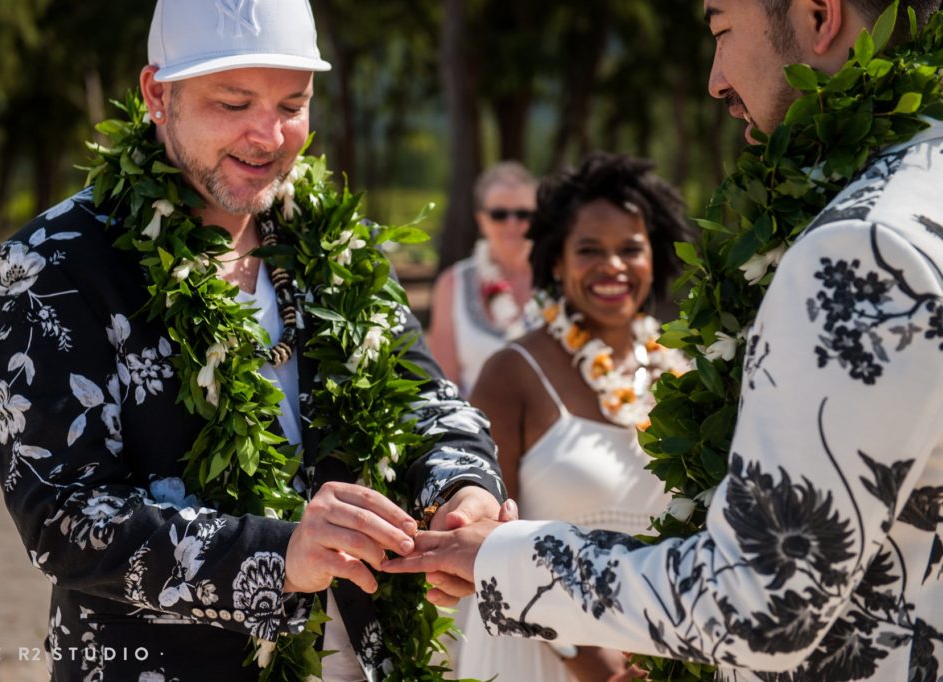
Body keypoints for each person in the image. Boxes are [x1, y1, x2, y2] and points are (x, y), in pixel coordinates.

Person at [384, 1, 943, 680]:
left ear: (819, 16)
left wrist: (498, 557)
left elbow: (764, 601)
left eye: (721, 29)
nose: (714, 79)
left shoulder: (862, 245)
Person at [0, 1, 506, 680]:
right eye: (233, 103)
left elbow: (428, 401)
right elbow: (60, 515)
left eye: (293, 104)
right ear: (156, 94)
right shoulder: (54, 263)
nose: (269, 136)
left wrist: (464, 489)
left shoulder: (331, 238)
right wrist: (279, 555)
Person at [454, 152, 693, 682]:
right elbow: (488, 538)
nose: (613, 266)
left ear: (654, 257)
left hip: (658, 654)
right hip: (538, 655)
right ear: (556, 261)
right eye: (589, 250)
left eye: (631, 249)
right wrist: (589, 659)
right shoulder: (512, 373)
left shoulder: (685, 375)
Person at [426, 162, 538, 395]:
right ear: (481, 220)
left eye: (523, 214)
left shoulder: (562, 282)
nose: (512, 223)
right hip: (476, 428)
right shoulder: (452, 285)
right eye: (499, 214)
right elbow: (444, 384)